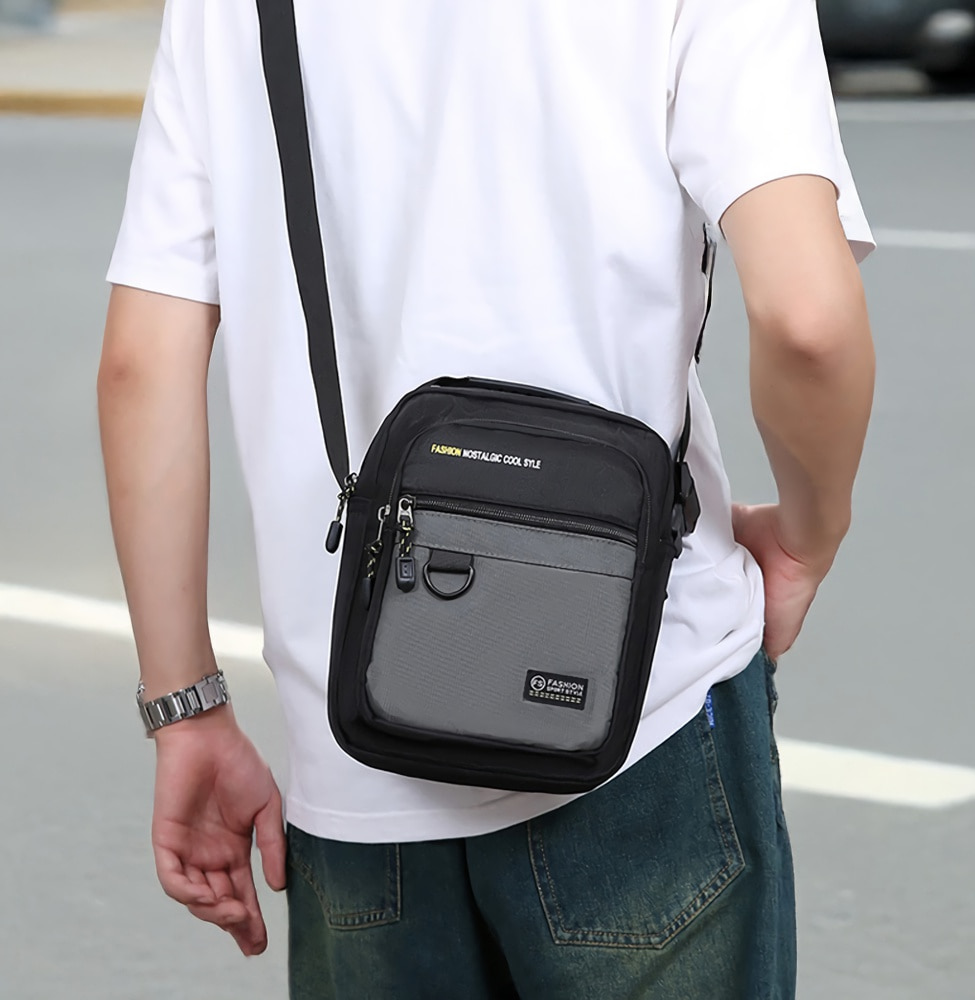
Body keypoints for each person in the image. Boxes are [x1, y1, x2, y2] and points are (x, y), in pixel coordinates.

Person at [97, 0, 876, 996]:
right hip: (636, 704)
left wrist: (187, 712)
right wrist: (809, 535)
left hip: (356, 744)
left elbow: (141, 362)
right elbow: (808, 318)